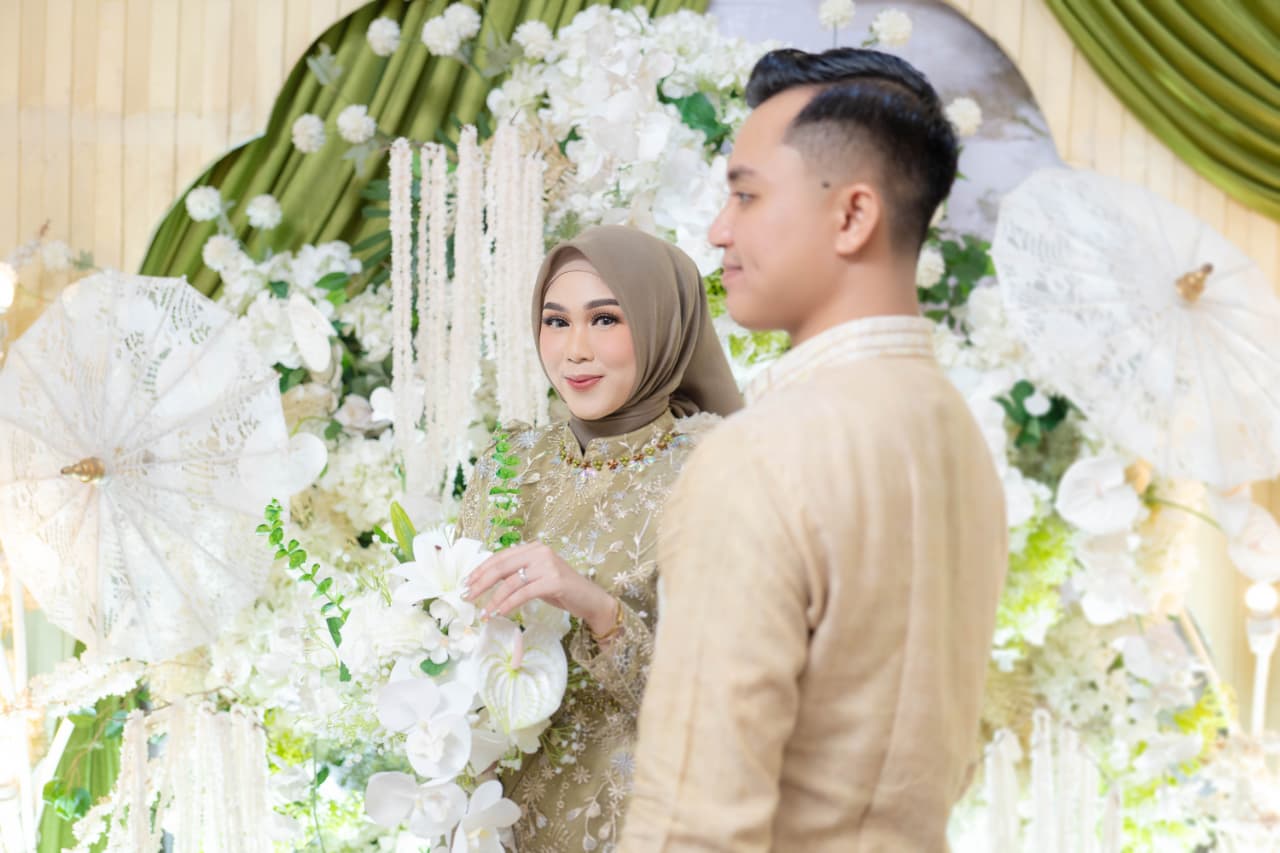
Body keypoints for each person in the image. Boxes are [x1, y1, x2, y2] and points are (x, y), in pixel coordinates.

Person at [620, 48, 1008, 851]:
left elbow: (694, 826)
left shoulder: (762, 457)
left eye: (746, 194)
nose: (719, 229)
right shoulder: (961, 441)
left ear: (853, 215)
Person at [457, 224, 743, 851]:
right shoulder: (509, 461)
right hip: (494, 824)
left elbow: (729, 715)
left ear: (664, 326)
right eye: (556, 322)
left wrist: (597, 609)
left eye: (606, 319)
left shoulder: (721, 473)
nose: (574, 351)